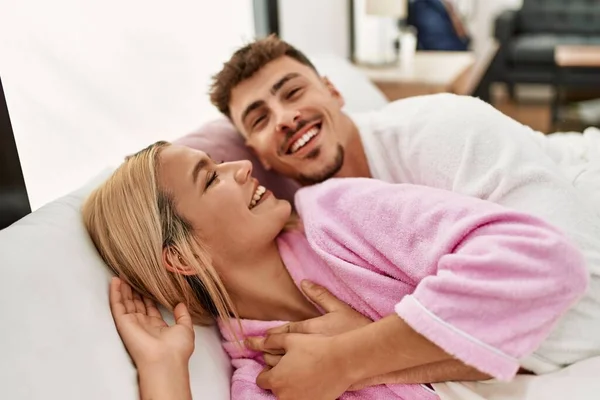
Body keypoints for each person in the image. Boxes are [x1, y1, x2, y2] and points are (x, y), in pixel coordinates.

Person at [207, 35, 600, 395]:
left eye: (293, 92)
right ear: (257, 153)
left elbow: (586, 311)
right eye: (260, 119)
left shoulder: (442, 130)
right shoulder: (315, 218)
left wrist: (356, 354)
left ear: (333, 91)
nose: (284, 118)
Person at [83, 141, 587, 400]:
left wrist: (349, 356)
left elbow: (542, 260)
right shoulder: (262, 378)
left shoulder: (338, 213)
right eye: (210, 179)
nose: (240, 168)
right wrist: (164, 370)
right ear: (184, 255)